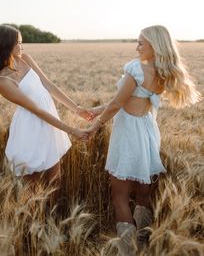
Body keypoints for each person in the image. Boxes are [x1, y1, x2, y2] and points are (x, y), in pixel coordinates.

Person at [86, 25, 201, 255]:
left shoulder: (136, 69)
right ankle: (145, 243)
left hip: (127, 135)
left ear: (154, 46)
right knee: (143, 194)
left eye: (141, 42)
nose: (136, 46)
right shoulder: (162, 73)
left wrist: (93, 127)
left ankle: (128, 251)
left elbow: (118, 104)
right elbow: (128, 101)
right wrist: (96, 110)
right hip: (147, 134)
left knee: (119, 196)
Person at [0, 24, 94, 189]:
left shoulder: (25, 59)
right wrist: (72, 131)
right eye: (18, 43)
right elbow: (36, 110)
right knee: (33, 188)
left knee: (54, 181)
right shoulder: (3, 81)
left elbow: (49, 86)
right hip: (31, 128)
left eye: (22, 42)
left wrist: (77, 109)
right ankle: (35, 215)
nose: (22, 47)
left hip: (49, 123)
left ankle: (51, 214)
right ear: (5, 45)